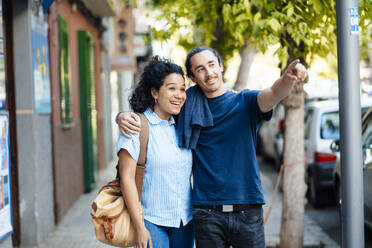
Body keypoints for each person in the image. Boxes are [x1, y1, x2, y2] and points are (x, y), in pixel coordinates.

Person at [117, 46, 307, 248]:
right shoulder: (185, 108)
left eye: (211, 65)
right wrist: (121, 116)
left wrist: (288, 79)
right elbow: (155, 112)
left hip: (247, 211)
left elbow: (273, 93)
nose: (209, 73)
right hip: (206, 215)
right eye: (200, 69)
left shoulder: (246, 102)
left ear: (221, 66)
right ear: (193, 77)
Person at [117, 56, 194, 248]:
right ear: (154, 92)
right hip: (151, 221)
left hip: (185, 221)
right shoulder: (136, 125)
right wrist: (140, 227)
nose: (179, 95)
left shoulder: (184, 124)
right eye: (172, 88)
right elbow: (126, 178)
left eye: (182, 89)